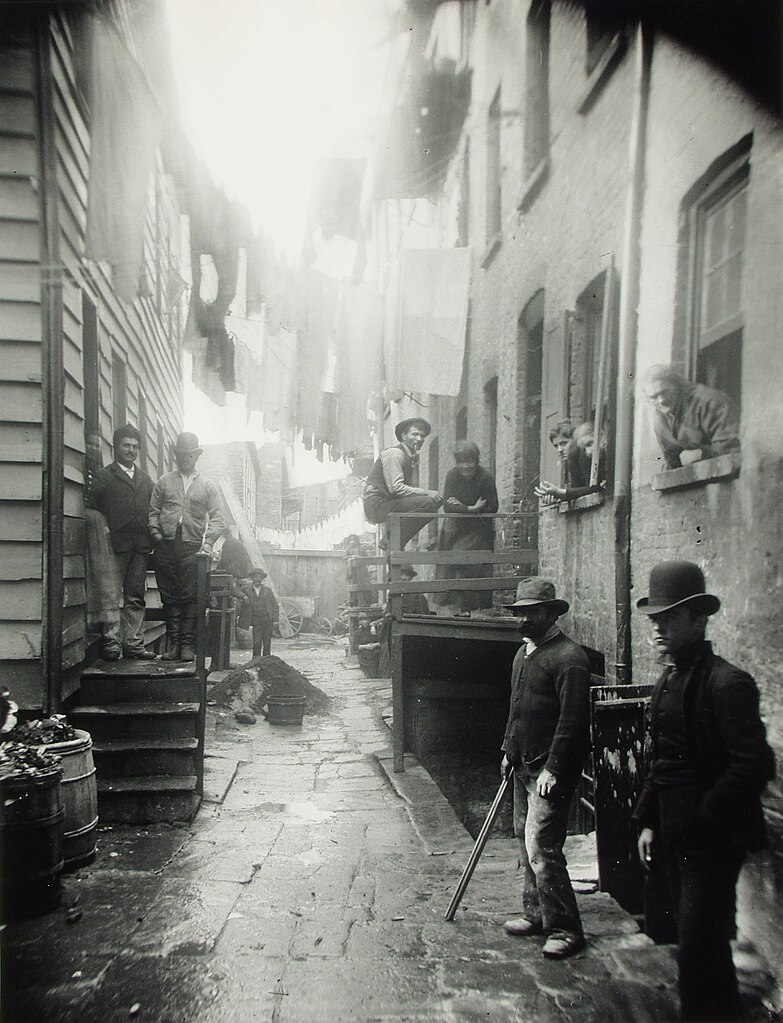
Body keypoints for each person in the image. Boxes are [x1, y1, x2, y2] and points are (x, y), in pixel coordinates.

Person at [633, 561, 775, 1022]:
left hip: (714, 840)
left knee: (698, 948)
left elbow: (754, 766)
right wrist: (650, 821)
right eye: (654, 619)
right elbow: (663, 759)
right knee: (698, 949)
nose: (658, 628)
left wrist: (702, 820)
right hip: (678, 834)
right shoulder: (668, 680)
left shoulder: (728, 683)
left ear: (699, 619)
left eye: (669, 618)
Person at [500, 578, 591, 959]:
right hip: (524, 763)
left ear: (551, 613)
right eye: (519, 613)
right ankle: (535, 914)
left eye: (530, 613)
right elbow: (516, 709)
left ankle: (565, 929)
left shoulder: (569, 658)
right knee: (525, 838)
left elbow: (573, 721)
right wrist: (508, 750)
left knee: (542, 846)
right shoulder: (524, 655)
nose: (522, 620)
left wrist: (554, 768)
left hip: (550, 771)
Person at [148, 432, 223, 662]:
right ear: (177, 456)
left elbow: (218, 517)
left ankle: (188, 646)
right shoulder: (164, 481)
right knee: (169, 596)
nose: (185, 459)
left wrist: (208, 543)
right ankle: (175, 646)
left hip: (192, 548)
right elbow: (153, 511)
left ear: (196, 456)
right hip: (166, 547)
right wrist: (157, 535)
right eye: (181, 454)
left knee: (190, 596)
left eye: (189, 455)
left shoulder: (207, 485)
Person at [85, 425, 155, 661]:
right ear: (116, 447)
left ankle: (133, 643)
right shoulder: (105, 476)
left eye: (135, 446)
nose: (131, 450)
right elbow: (92, 509)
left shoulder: (146, 480)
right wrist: (104, 530)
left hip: (140, 546)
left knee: (135, 595)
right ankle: (112, 642)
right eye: (126, 445)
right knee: (112, 594)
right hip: (113, 546)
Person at [435, 441, 499, 614]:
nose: (465, 466)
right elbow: (448, 505)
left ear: (476, 461)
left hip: (477, 530)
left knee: (467, 564)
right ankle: (452, 608)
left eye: (469, 461)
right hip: (454, 528)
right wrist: (472, 508)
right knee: (447, 565)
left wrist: (462, 507)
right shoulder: (452, 475)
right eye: (461, 462)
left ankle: (470, 610)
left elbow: (492, 506)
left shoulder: (485, 478)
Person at [363, 417, 443, 550]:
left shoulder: (411, 457)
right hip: (376, 504)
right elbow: (396, 489)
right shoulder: (395, 453)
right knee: (430, 502)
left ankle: (390, 540)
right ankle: (393, 541)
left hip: (387, 502)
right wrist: (427, 492)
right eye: (415, 434)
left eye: (422, 436)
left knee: (432, 503)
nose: (419, 439)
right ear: (404, 436)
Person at [642, 364, 739, 469]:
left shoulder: (709, 402)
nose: (661, 400)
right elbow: (672, 461)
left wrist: (700, 454)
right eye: (654, 397)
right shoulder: (660, 418)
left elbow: (731, 449)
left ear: (677, 385)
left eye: (665, 392)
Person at [534, 422, 605, 504]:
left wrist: (562, 493)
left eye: (564, 443)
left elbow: (596, 488)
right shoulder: (571, 460)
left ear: (576, 440)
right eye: (556, 446)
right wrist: (558, 497)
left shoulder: (588, 454)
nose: (559, 450)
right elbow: (579, 490)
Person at [238, 568, 279, 658]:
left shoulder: (268, 591)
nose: (257, 579)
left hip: (267, 619)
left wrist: (275, 620)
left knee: (267, 642)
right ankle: (256, 662)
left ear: (262, 579)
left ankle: (267, 662)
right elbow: (235, 590)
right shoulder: (247, 590)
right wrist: (243, 596)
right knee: (257, 642)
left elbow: (275, 605)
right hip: (255, 620)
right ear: (252, 578)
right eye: (255, 577)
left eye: (259, 577)